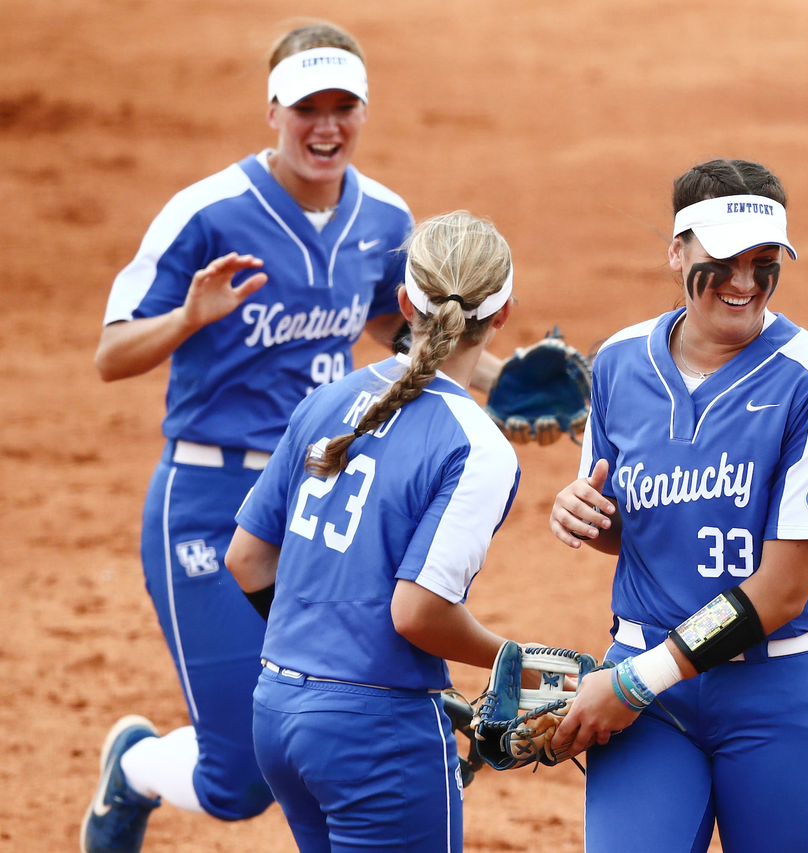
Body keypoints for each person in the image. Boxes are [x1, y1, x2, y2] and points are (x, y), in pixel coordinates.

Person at [82, 22, 500, 853]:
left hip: (320, 496)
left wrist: (504, 380)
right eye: (308, 107)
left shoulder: (385, 217)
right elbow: (110, 354)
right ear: (273, 109)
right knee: (239, 777)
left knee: (329, 710)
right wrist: (188, 317)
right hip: (209, 499)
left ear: (364, 111)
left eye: (344, 107)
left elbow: (405, 328)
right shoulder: (207, 213)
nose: (326, 126)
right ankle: (135, 767)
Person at [547, 159, 808, 852]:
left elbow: (782, 591)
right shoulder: (619, 361)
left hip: (775, 695)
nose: (744, 281)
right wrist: (584, 515)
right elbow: (629, 526)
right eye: (722, 260)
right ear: (677, 253)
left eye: (763, 261)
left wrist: (633, 683)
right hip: (650, 697)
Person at [222, 210, 521, 853]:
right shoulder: (478, 444)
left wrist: (326, 660)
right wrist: (512, 661)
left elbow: (247, 559)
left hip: (278, 711)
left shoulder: (326, 400)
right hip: (377, 737)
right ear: (502, 316)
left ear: (405, 302)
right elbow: (418, 614)